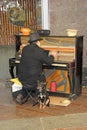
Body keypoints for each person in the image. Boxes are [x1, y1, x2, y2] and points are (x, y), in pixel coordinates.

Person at [13, 32, 56, 104]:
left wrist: (46, 51)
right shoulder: (39, 51)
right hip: (34, 81)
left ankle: (22, 94)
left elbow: (36, 53)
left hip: (22, 79)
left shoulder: (25, 49)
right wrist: (53, 55)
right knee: (45, 74)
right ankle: (41, 94)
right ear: (38, 42)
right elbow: (49, 62)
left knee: (28, 78)